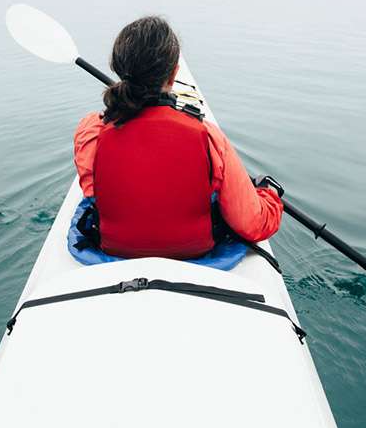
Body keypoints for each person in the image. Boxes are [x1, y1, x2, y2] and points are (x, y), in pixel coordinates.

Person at [72, 16, 283, 260]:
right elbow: (253, 224)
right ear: (173, 74)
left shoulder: (91, 132)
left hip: (114, 248)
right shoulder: (208, 137)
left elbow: (92, 191)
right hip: (194, 252)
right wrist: (269, 195)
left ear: (118, 69)